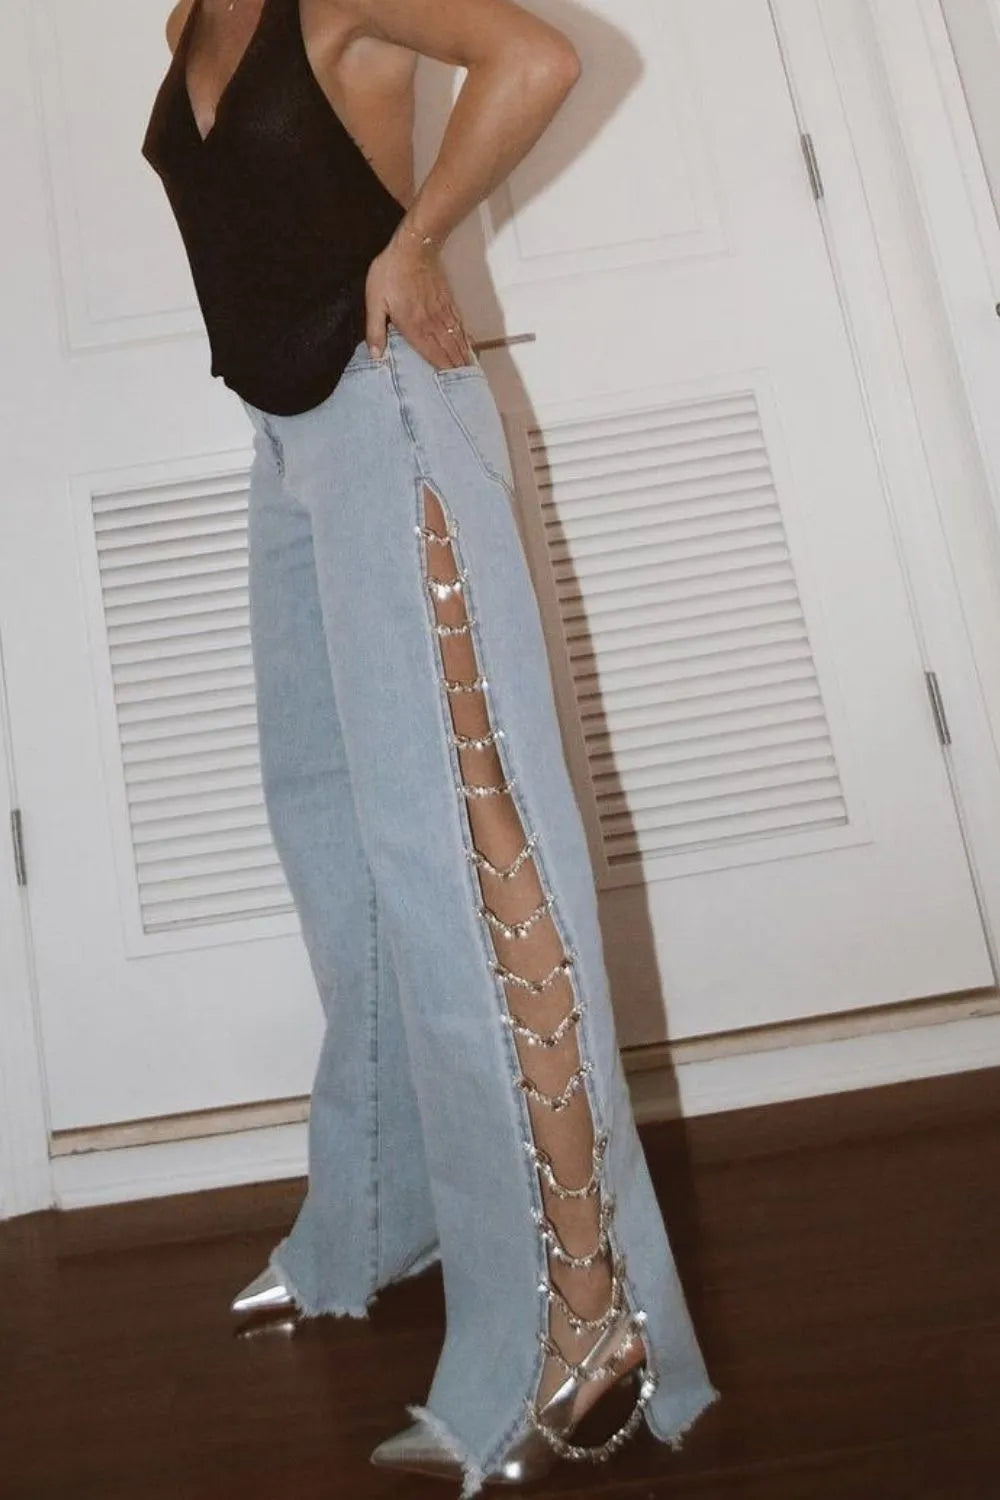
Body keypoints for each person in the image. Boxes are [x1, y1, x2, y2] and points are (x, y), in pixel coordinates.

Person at [140, 0, 719, 1490]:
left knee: (469, 840)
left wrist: (418, 238)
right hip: (287, 440)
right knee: (335, 833)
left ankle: (581, 1319)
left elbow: (539, 57)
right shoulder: (188, 14)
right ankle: (384, 1210)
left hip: (387, 400)